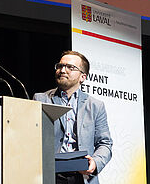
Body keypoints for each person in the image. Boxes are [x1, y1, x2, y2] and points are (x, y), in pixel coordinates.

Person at [33, 51, 112, 184]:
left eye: (70, 67)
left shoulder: (95, 106)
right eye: (60, 66)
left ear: (83, 77)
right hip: (50, 174)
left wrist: (95, 162)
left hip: (82, 177)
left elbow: (105, 143)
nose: (62, 70)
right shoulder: (41, 99)